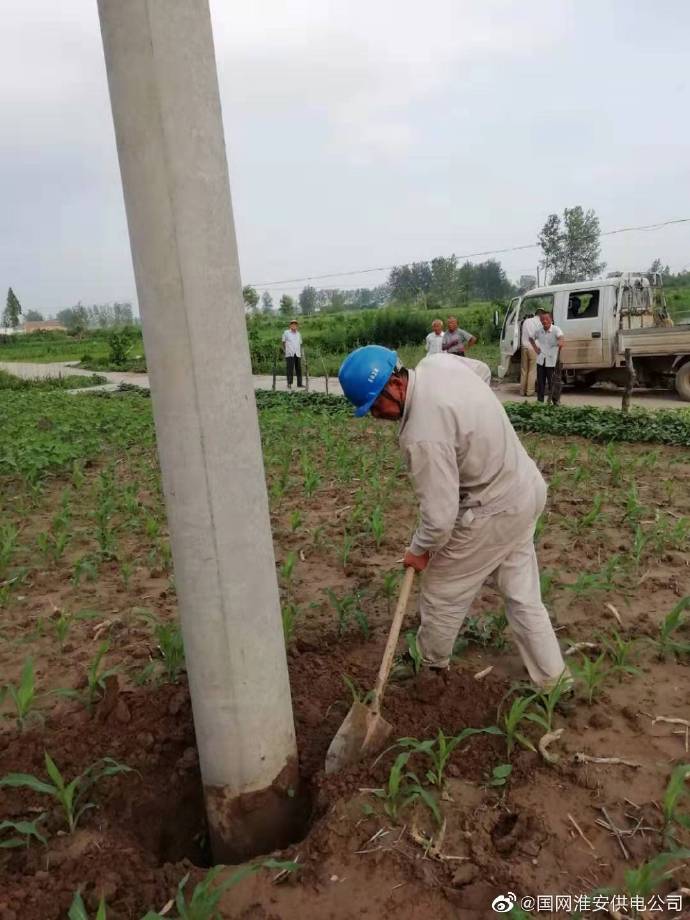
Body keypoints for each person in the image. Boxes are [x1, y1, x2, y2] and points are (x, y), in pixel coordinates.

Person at [338, 346, 567, 689]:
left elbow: (440, 519)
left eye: (374, 405)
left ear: (395, 385)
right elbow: (482, 371)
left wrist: (419, 550)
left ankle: (428, 664)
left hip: (494, 509)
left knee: (442, 587)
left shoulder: (421, 435)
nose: (375, 415)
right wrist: (471, 430)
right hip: (526, 486)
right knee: (522, 595)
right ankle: (554, 682)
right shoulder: (438, 363)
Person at [529, 312, 564, 404]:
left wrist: (560, 342)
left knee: (553, 382)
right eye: (542, 319)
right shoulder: (539, 331)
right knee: (540, 383)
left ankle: (555, 402)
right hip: (541, 361)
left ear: (551, 320)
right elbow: (531, 338)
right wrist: (535, 348)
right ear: (540, 321)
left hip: (552, 361)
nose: (544, 321)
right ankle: (540, 402)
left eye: (547, 319)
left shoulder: (556, 329)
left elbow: (561, 337)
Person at [520, 311, 543, 397]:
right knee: (532, 371)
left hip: (524, 347)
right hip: (533, 348)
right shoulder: (540, 323)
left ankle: (522, 391)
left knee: (524, 370)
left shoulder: (526, 321)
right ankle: (529, 392)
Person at [282, 319, 303, 389]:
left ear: (297, 326)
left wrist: (301, 353)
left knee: (299, 369)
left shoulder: (299, 334)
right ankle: (289, 383)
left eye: (295, 324)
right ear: (290, 325)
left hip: (297, 353)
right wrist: (285, 351)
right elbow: (283, 342)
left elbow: (300, 344)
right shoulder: (286, 332)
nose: (294, 325)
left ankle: (299, 384)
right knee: (290, 369)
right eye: (292, 324)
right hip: (289, 353)